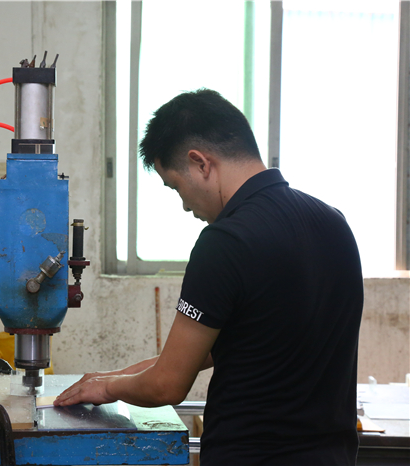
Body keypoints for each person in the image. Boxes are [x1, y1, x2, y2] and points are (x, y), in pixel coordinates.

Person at [55, 89, 364, 465]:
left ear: (200, 163)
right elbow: (238, 344)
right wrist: (111, 376)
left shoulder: (226, 241)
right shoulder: (334, 223)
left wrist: (108, 389)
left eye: (176, 187)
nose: (185, 205)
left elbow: (168, 385)